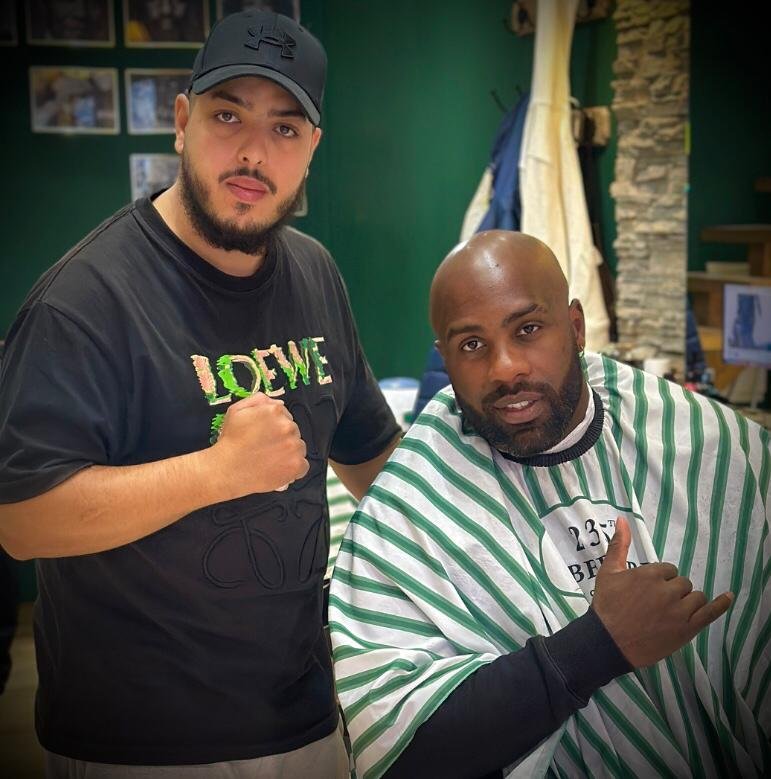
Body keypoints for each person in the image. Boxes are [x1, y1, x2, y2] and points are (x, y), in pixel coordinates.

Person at [0, 9, 401, 777]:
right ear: (181, 123)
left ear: (312, 149)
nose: (253, 150)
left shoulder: (316, 272)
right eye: (227, 116)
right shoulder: (84, 299)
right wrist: (215, 472)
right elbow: (22, 519)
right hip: (137, 740)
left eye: (285, 129)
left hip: (306, 715)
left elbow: (369, 451)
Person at [329, 230, 770, 778]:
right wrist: (597, 646)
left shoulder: (704, 443)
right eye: (471, 345)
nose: (505, 367)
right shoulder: (410, 506)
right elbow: (399, 755)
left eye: (529, 329)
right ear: (444, 357)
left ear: (577, 327)